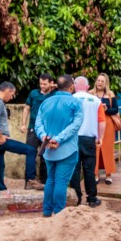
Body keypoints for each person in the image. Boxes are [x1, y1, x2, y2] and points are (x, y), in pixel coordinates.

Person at [34, 75, 83, 217]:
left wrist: (44, 137)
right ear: (72, 86)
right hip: (67, 149)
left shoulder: (46, 102)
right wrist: (59, 139)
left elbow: (38, 123)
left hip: (48, 148)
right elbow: (75, 126)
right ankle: (59, 214)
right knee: (61, 181)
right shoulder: (75, 103)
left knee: (51, 179)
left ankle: (47, 212)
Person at [0, 81, 38, 192]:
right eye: (12, 94)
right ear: (7, 90)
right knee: (31, 150)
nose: (12, 97)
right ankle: (30, 180)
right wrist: (0, 136)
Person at [67, 76, 103, 208]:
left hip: (73, 139)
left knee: (74, 169)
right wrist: (100, 137)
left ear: (74, 87)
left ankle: (76, 198)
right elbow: (102, 121)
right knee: (89, 169)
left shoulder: (70, 100)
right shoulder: (95, 100)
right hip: (89, 139)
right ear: (88, 87)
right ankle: (92, 198)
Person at [25, 74, 56, 184]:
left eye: (45, 84)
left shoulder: (54, 94)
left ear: (51, 83)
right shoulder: (34, 93)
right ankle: (29, 179)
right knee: (30, 153)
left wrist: (54, 86)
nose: (42, 86)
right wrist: (24, 124)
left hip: (48, 130)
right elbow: (27, 108)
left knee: (45, 155)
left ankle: (44, 180)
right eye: (40, 83)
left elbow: (65, 89)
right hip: (33, 128)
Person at [93, 73, 119, 185]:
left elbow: (116, 110)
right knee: (95, 148)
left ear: (106, 83)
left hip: (108, 124)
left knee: (108, 148)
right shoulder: (90, 93)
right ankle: (96, 174)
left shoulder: (110, 94)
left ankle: (108, 174)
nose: (100, 83)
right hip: (94, 123)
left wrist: (106, 109)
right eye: (98, 80)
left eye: (102, 81)